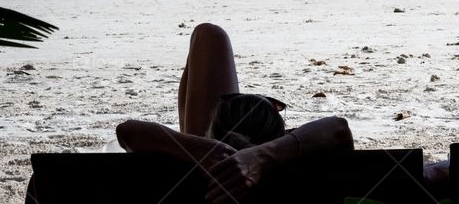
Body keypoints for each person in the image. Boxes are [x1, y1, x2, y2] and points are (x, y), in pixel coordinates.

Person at [116, 23, 353, 204]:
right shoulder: (297, 166)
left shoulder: (191, 166)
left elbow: (127, 132)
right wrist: (261, 156)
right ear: (279, 136)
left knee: (209, 34)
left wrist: (197, 147)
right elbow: (338, 128)